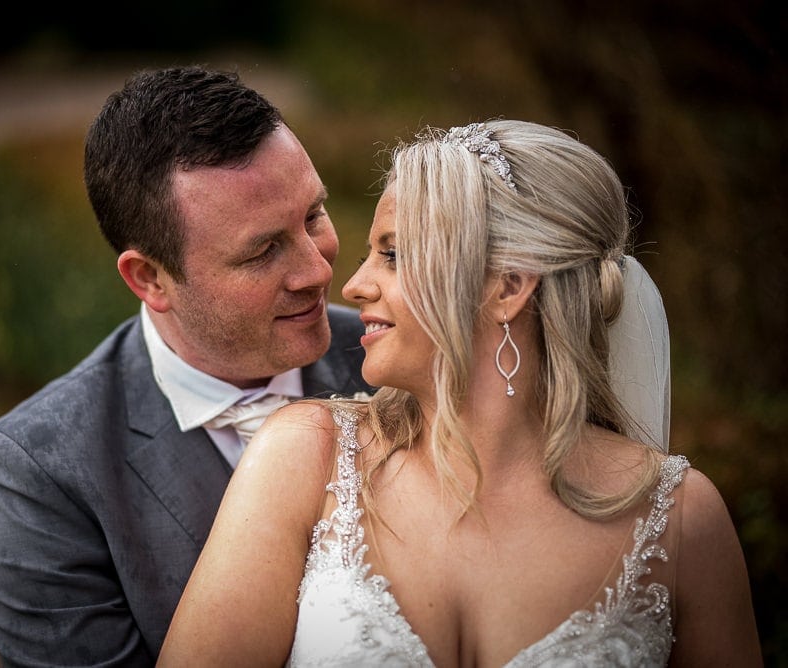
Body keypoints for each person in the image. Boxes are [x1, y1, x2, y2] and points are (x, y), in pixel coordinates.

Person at [158, 120, 763, 666]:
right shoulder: (303, 457)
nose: (354, 284)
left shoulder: (682, 519)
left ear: (507, 287)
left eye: (393, 255)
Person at [0, 66, 373, 667]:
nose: (317, 270)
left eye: (313, 215)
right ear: (150, 278)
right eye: (263, 250)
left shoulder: (396, 361)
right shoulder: (41, 474)